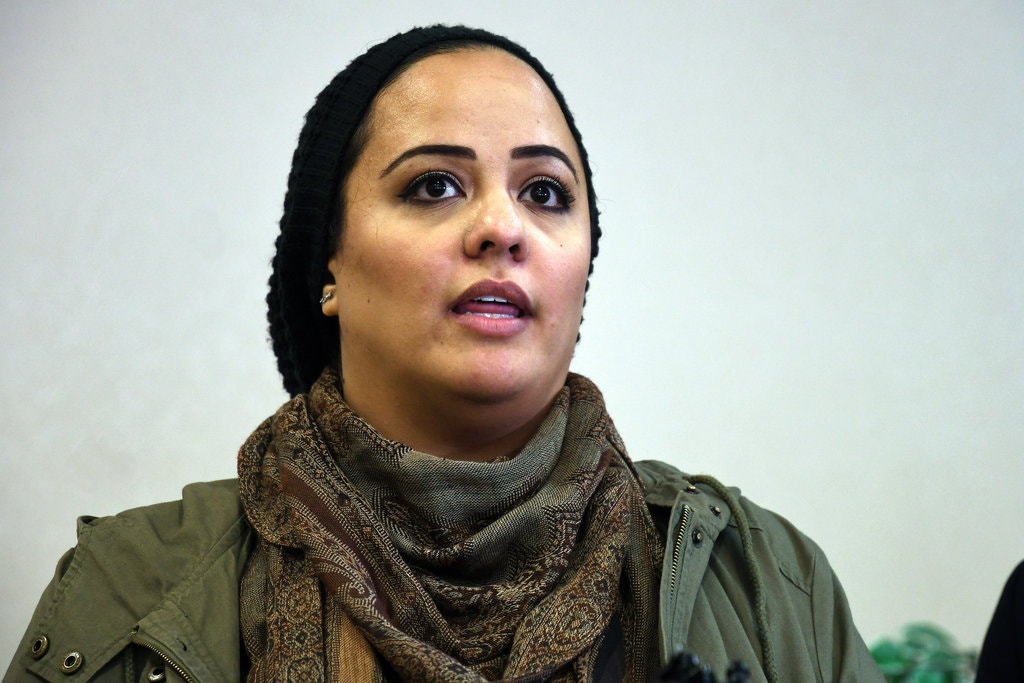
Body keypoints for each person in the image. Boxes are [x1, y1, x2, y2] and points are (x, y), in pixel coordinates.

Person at [4, 25, 884, 683]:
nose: (503, 226)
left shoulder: (771, 582)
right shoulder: (132, 588)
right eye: (435, 184)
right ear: (328, 264)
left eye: (546, 192)